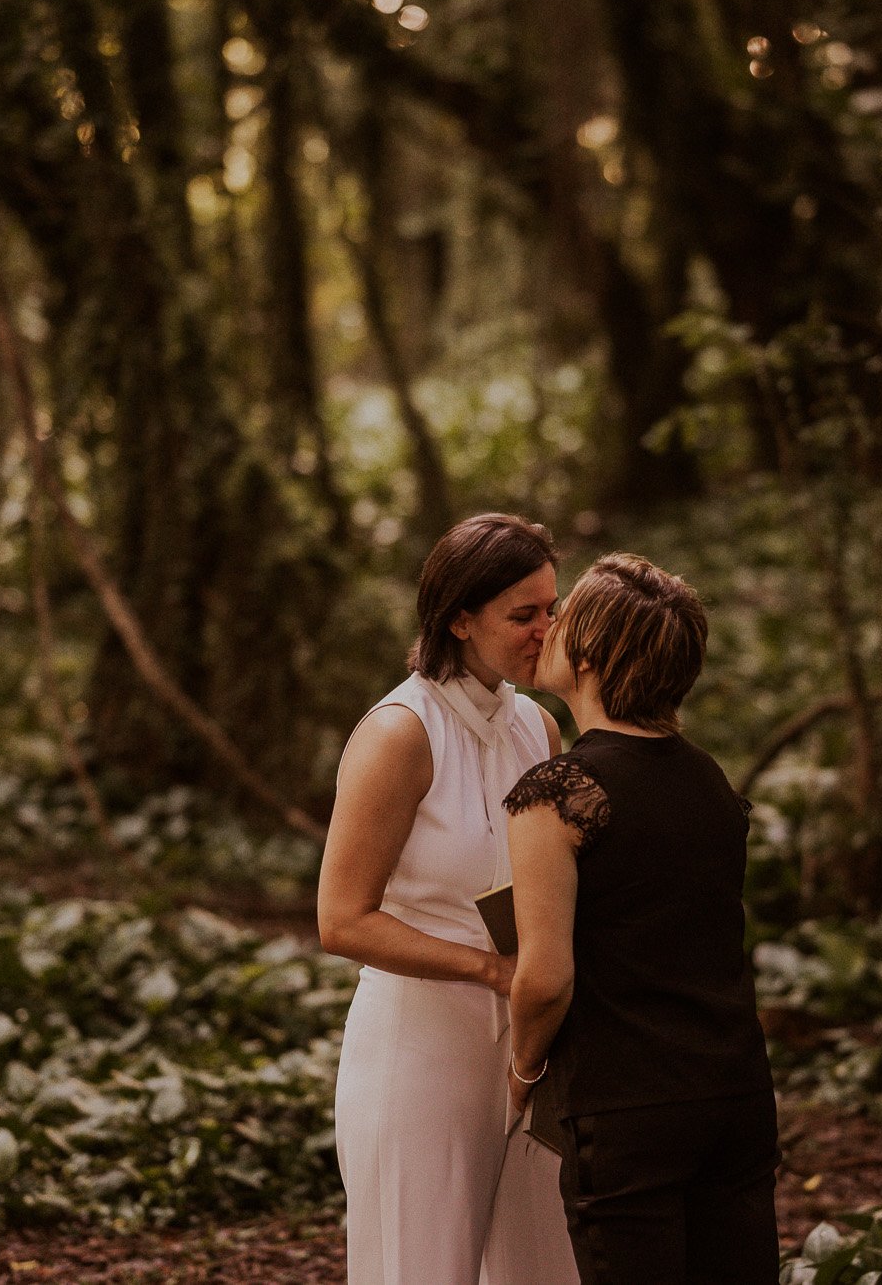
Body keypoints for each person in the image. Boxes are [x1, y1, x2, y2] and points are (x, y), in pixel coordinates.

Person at [318, 513, 581, 1285]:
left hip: (535, 1052)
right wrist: (493, 969)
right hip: (421, 1056)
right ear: (460, 619)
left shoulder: (539, 725)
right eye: (522, 614)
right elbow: (341, 919)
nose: (545, 630)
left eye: (552, 610)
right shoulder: (400, 732)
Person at [503, 552, 779, 1285]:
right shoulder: (710, 779)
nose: (547, 625)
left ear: (591, 652)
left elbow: (547, 978)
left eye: (562, 615)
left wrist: (523, 1067)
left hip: (627, 1108)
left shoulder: (557, 791)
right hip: (737, 1095)